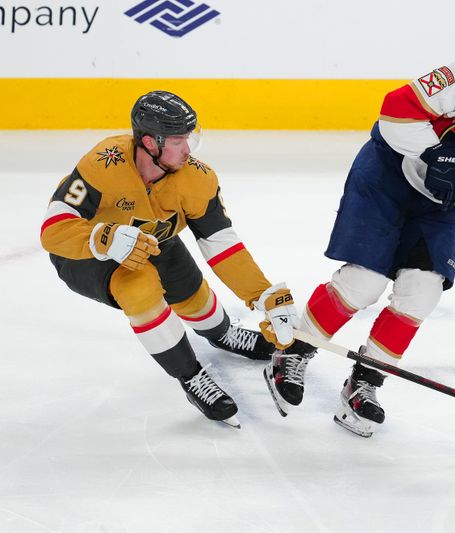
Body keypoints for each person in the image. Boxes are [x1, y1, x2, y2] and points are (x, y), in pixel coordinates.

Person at [264, 27, 455, 437]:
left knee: (422, 293)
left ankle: (365, 383)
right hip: (387, 173)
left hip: (439, 203)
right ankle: (292, 352)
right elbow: (395, 109)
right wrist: (431, 149)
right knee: (363, 283)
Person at [40, 90, 303, 428]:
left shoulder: (197, 178)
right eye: (179, 140)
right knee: (140, 289)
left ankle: (222, 334)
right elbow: (53, 230)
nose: (188, 149)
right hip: (86, 255)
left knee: (192, 292)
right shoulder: (102, 163)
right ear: (150, 142)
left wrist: (263, 295)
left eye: (189, 138)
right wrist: (99, 238)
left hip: (154, 241)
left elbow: (221, 244)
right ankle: (190, 376)